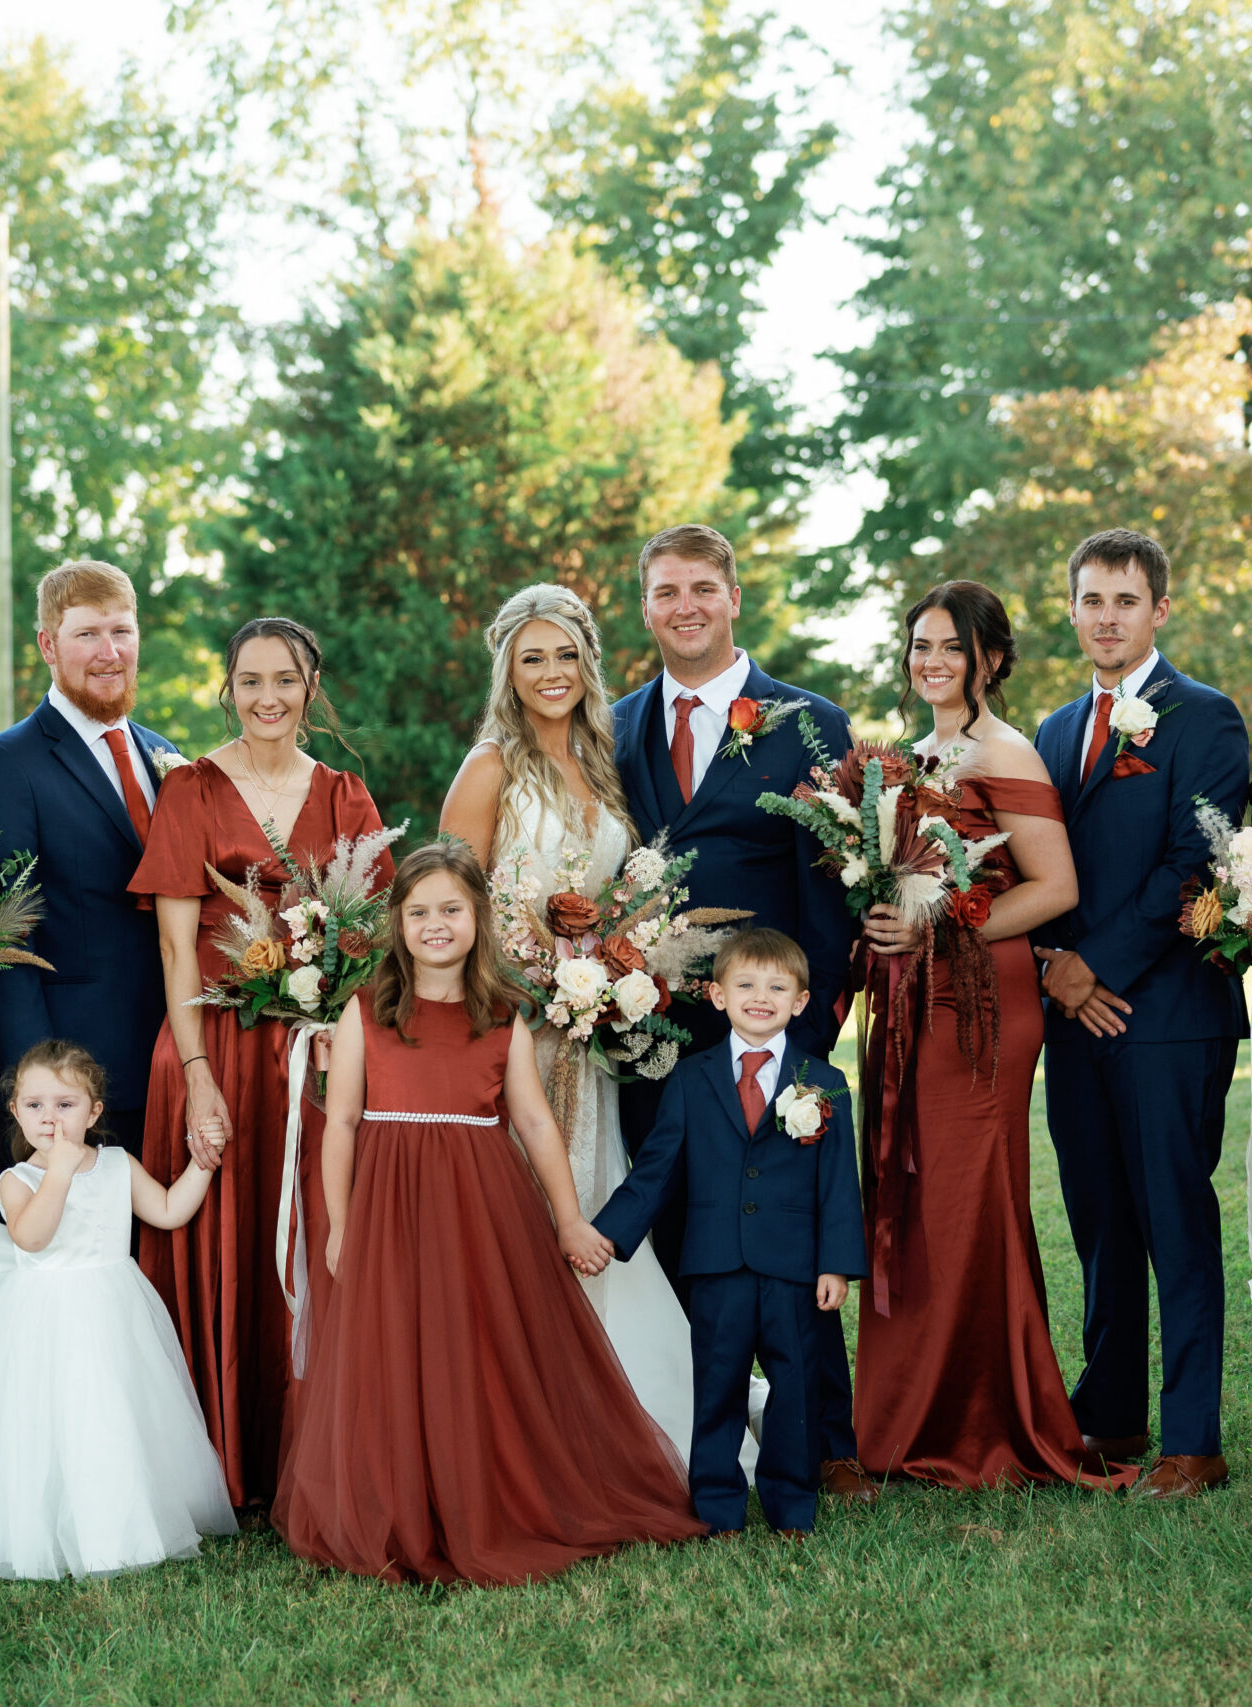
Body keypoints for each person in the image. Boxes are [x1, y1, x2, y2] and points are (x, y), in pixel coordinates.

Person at [274, 842, 705, 1585]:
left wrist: (570, 1220)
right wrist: (341, 1223)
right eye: (418, 912)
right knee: (395, 1347)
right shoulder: (367, 1011)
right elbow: (339, 1121)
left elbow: (535, 1123)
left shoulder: (502, 1014)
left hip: (480, 1203)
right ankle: (406, 1501)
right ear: (397, 923)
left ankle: (481, 1494)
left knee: (474, 1345)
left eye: (451, 909)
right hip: (388, 1204)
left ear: (477, 916)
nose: (436, 924)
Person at [609, 522, 874, 1505]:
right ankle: (693, 1438)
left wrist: (804, 1038)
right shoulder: (611, 724)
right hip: (642, 1032)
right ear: (645, 606)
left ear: (732, 596)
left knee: (789, 1239)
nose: (685, 607)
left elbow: (832, 895)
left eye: (702, 590)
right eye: (665, 591)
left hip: (768, 1029)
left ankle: (828, 1441)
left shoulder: (809, 724)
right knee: (688, 1232)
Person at [855, 582, 1126, 1490]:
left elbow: (1055, 887)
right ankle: (907, 1411)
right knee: (912, 1190)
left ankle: (983, 1415)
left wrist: (940, 927)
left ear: (991, 661)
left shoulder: (1004, 750)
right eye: (921, 645)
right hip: (909, 993)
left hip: (979, 999)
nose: (933, 662)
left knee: (967, 1196)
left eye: (953, 649)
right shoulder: (912, 753)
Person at [129, 616, 391, 1515]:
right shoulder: (192, 789)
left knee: (317, 1233)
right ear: (227, 688)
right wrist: (197, 1071)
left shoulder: (345, 794)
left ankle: (309, 1450)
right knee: (218, 1239)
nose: (267, 697)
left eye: (284, 679)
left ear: (309, 688)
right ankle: (214, 1456)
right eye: (249, 681)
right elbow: (172, 947)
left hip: (312, 1050)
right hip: (211, 1040)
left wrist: (337, 1028)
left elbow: (373, 933)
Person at [440, 583, 705, 1463]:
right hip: (513, 1033)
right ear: (507, 672)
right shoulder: (490, 768)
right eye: (532, 658)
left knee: (590, 1209)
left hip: (588, 1040)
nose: (551, 673)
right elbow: (452, 905)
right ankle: (517, 1426)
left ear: (589, 663)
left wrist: (610, 978)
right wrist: (534, 988)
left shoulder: (601, 761)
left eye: (565, 655)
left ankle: (606, 1420)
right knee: (516, 1227)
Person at [1032, 529, 1250, 1498]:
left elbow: (1192, 864)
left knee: (1173, 1217)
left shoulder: (1204, 718)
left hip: (1165, 1014)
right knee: (1098, 1223)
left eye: (1125, 600)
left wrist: (1092, 966)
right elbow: (1024, 867)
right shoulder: (1048, 731)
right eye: (1091, 599)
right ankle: (1112, 1413)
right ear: (1072, 609)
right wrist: (1051, 966)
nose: (1107, 617)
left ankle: (1194, 1435)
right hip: (1073, 1020)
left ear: (1159, 609)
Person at [591, 930, 865, 1536]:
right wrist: (606, 1236)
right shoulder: (691, 1080)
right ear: (717, 995)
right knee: (717, 1386)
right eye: (745, 984)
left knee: (795, 1393)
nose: (759, 996)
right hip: (715, 1265)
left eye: (776, 987)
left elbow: (839, 1186)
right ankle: (717, 1506)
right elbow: (658, 1171)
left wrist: (836, 1265)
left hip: (795, 1268)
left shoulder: (824, 1081)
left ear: (800, 1001)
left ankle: (793, 1505)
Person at [0, 1040, 237, 1579]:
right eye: (34, 1106)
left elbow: (169, 1211)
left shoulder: (116, 1165)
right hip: (42, 1326)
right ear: (14, 1112)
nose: (49, 1118)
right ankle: (42, 1528)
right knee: (51, 1425)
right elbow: (32, 1237)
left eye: (65, 1104)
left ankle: (117, 1527)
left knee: (110, 1419)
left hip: (111, 1316)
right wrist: (57, 1171)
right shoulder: (17, 1180)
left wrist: (204, 1164)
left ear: (95, 1111)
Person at [0, 560, 181, 1174]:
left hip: (169, 1064)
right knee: (62, 1267)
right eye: (87, 634)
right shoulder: (2, 765)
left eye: (122, 632)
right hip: (68, 1081)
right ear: (48, 645)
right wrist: (44, 1095)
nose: (109, 652)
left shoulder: (165, 756)